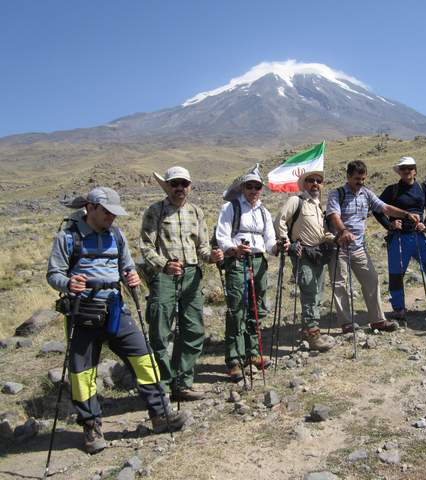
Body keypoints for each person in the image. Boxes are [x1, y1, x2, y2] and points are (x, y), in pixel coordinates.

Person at [47, 187, 188, 454]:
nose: (112, 217)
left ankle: (160, 414)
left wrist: (131, 276)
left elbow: (127, 266)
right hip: (83, 311)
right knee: (82, 373)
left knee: (144, 359)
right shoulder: (67, 237)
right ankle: (91, 427)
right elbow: (53, 274)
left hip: (115, 309)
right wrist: (68, 282)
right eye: (107, 213)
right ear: (90, 208)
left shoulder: (117, 235)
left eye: (114, 213)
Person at [139, 166, 223, 401]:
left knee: (193, 330)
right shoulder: (155, 211)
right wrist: (164, 264)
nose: (179, 188)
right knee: (160, 331)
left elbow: (203, 248)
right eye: (174, 183)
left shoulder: (196, 212)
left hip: (191, 275)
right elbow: (145, 246)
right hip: (164, 275)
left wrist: (212, 256)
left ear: (190, 186)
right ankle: (163, 387)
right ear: (168, 186)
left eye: (184, 184)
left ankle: (183, 382)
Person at [325, 160, 421, 333]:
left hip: (359, 247)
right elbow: (334, 216)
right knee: (341, 286)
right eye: (356, 179)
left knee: (372, 279)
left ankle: (377, 320)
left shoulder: (366, 194)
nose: (360, 182)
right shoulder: (336, 194)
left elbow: (385, 208)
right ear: (348, 177)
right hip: (339, 248)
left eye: (362, 179)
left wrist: (406, 214)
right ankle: (346, 323)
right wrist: (343, 231)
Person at [216, 166, 286, 381]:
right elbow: (222, 236)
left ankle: (253, 354)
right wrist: (234, 249)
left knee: (256, 309)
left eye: (257, 187)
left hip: (258, 262)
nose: (254, 190)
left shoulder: (264, 212)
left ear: (261, 189)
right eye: (250, 186)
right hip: (237, 261)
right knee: (236, 309)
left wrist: (279, 247)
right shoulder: (231, 207)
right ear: (243, 188)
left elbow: (269, 241)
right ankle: (234, 360)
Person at [373, 157, 426, 320]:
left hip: (419, 236)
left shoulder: (423, 188)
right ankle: (398, 308)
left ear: (415, 170)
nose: (406, 171)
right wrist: (389, 225)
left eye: (410, 168)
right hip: (398, 238)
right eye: (403, 168)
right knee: (396, 274)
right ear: (399, 171)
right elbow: (377, 209)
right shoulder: (391, 190)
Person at [274, 170, 334, 352]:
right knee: (309, 291)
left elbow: (322, 231)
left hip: (319, 253)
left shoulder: (318, 205)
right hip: (302, 254)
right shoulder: (296, 201)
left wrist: (334, 238)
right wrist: (287, 242)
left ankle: (308, 328)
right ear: (304, 184)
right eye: (311, 180)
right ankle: (313, 333)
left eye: (319, 181)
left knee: (318, 292)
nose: (315, 183)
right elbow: (280, 221)